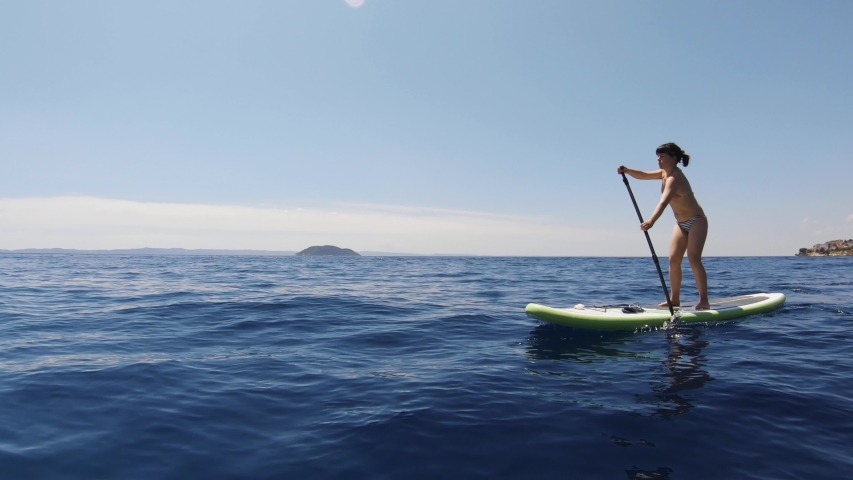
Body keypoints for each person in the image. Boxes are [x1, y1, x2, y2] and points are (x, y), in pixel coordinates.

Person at [617, 143, 709, 310]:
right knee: (674, 259)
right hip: (681, 224)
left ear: (673, 158)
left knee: (694, 258)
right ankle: (674, 299)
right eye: (658, 156)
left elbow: (664, 202)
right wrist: (628, 171)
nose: (658, 159)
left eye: (662, 156)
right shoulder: (664, 174)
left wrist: (651, 221)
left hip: (697, 220)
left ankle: (704, 300)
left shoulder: (675, 178)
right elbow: (644, 175)